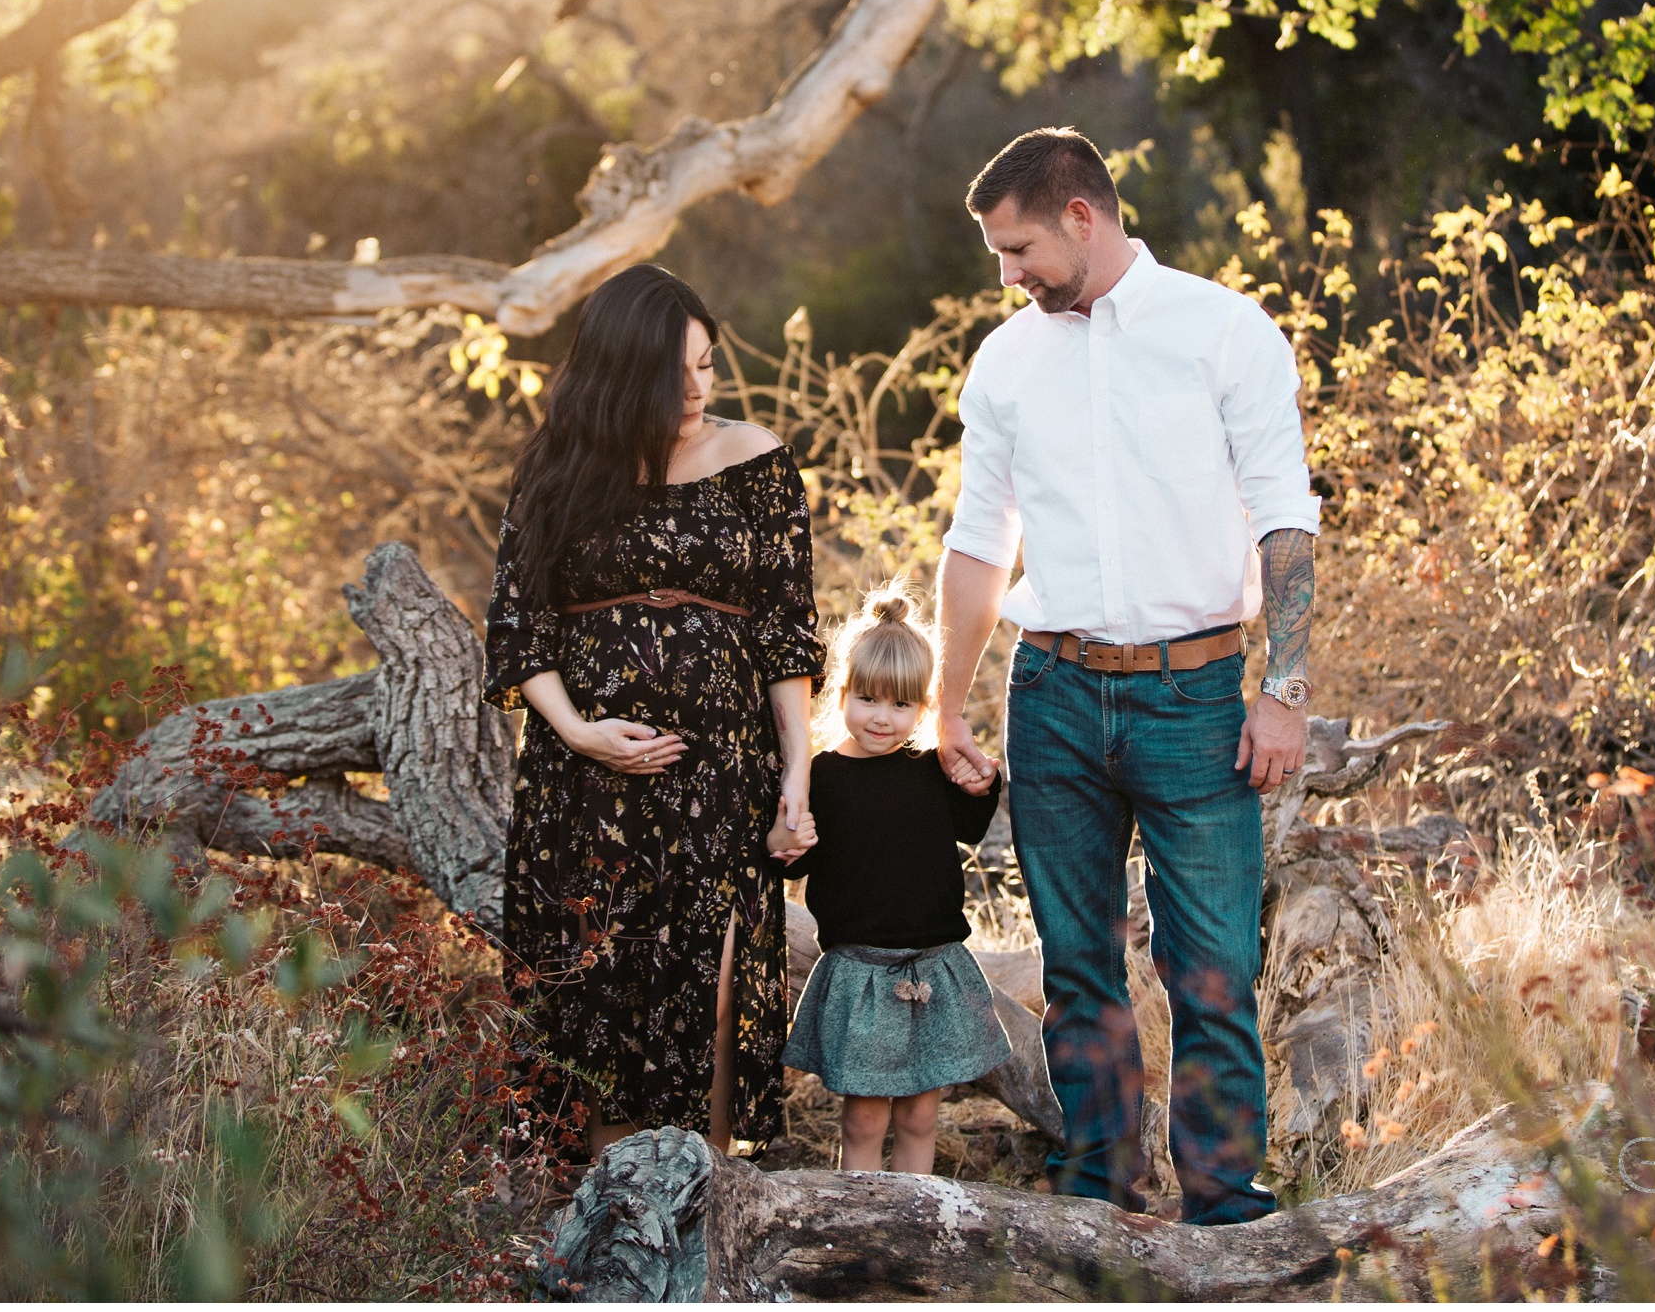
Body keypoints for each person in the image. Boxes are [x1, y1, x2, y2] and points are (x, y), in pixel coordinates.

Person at [932, 127, 1318, 1227]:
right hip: (1049, 694)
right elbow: (976, 540)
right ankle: (1103, 1189)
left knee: (1211, 969)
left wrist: (1283, 689)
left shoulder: (1223, 331)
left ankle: (1223, 1200)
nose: (1006, 276)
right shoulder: (1007, 359)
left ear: (1081, 218)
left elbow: (1286, 514)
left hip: (1194, 697)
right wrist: (946, 704)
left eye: (1017, 249)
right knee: (1078, 966)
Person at [482, 263, 823, 1157]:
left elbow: (789, 637)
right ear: (620, 374)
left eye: (708, 364)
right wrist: (579, 732)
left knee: (708, 981)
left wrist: (797, 778)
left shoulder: (758, 462)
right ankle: (606, 1211)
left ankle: (698, 1196)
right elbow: (519, 628)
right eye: (675, 375)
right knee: (597, 984)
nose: (699, 389)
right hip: (583, 783)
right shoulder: (559, 469)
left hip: (719, 774)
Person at [776, 584, 1013, 1174]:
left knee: (919, 1115)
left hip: (931, 964)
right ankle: (857, 1219)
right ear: (843, 693)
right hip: (861, 972)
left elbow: (969, 828)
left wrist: (980, 785)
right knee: (863, 1117)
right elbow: (799, 861)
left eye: (902, 705)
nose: (883, 718)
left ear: (925, 708)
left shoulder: (928, 769)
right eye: (869, 699)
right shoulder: (822, 776)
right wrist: (788, 841)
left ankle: (914, 1220)